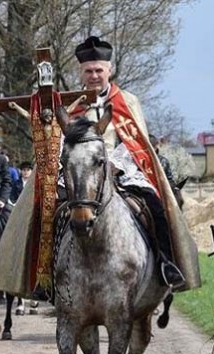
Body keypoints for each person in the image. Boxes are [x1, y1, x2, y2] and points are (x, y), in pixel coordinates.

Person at [71, 36, 186, 289]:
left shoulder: (128, 100)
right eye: (88, 71)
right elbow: (65, 143)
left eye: (98, 70)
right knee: (48, 209)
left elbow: (137, 143)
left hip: (122, 171)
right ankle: (44, 275)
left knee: (155, 206)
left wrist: (114, 166)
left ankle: (166, 264)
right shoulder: (71, 104)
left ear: (109, 71)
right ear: (81, 72)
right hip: (82, 174)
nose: (93, 75)